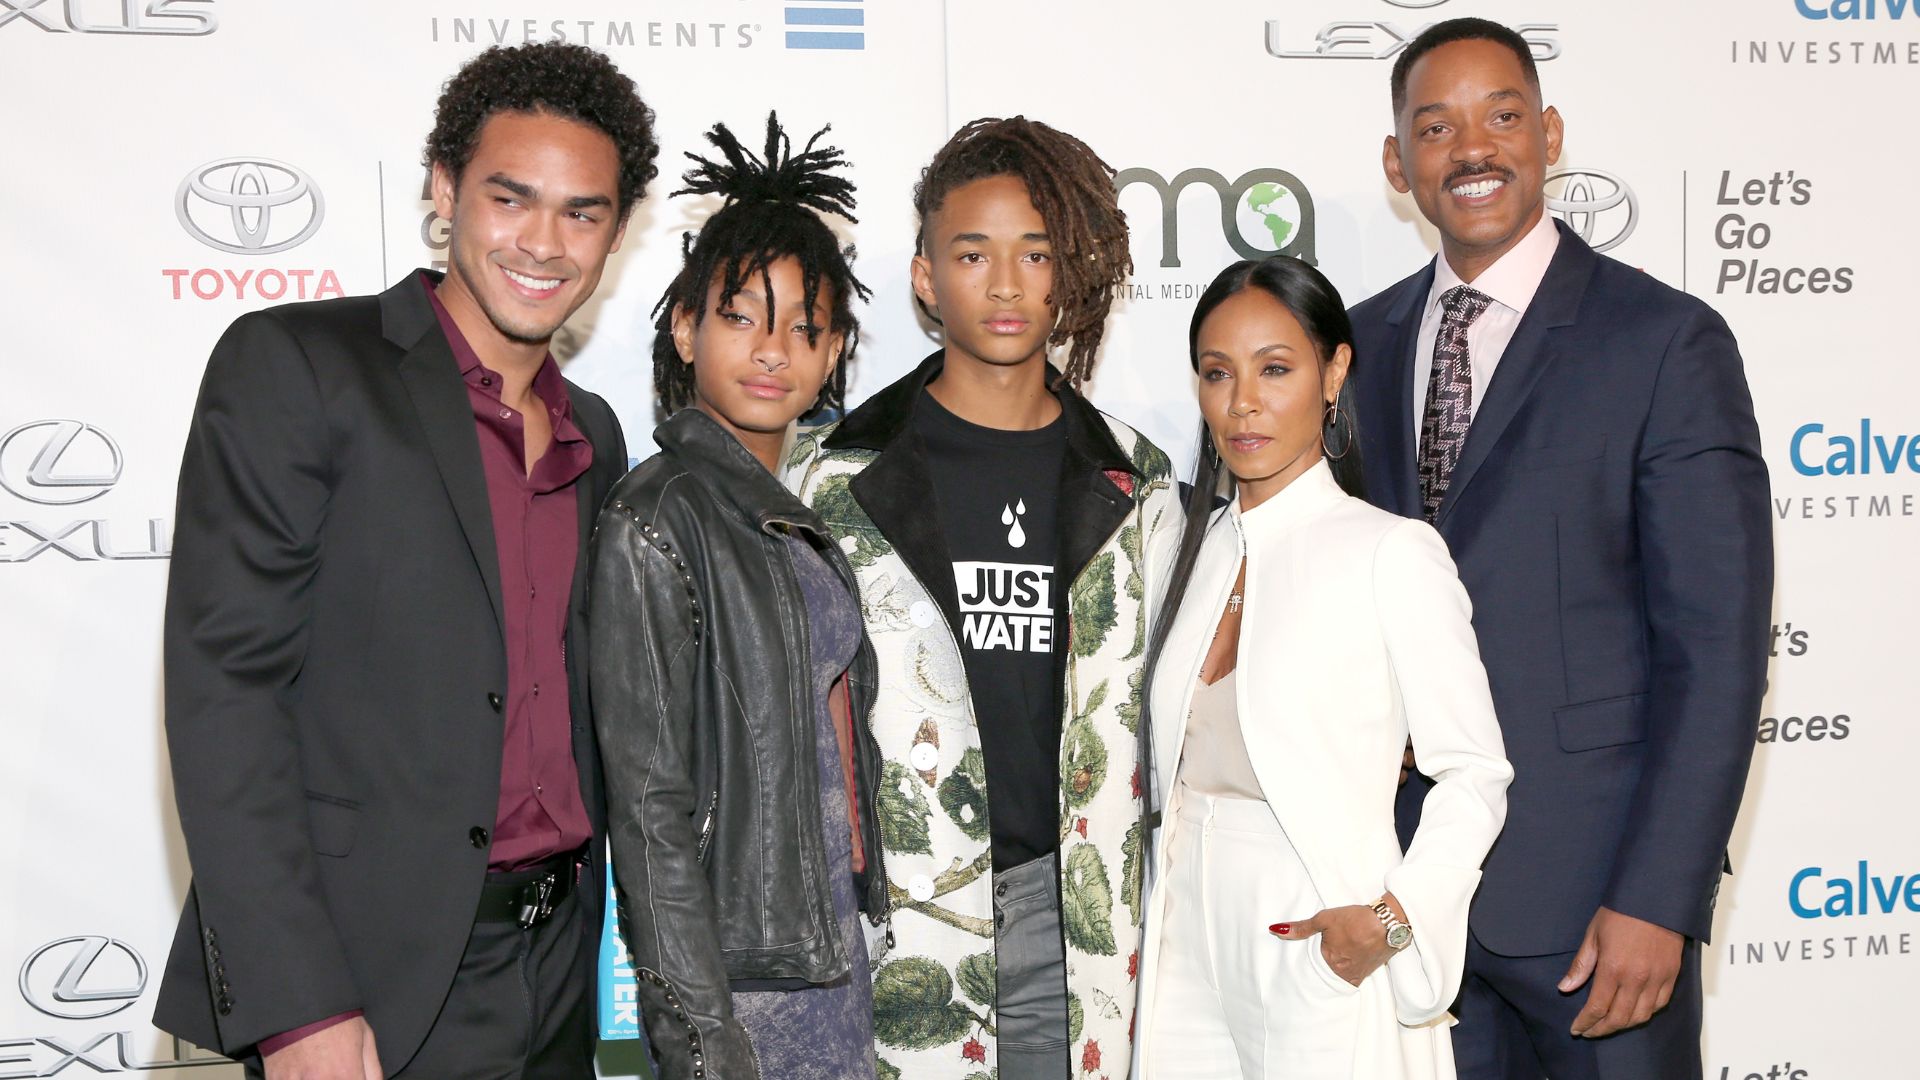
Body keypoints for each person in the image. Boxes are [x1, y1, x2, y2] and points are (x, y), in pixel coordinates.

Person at [153, 42, 656, 1078]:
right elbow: (226, 699)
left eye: (583, 212)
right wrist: (298, 1010)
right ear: (444, 189)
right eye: (511, 198)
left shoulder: (595, 436)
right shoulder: (300, 366)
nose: (544, 242)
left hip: (559, 966)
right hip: (370, 973)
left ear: (616, 229)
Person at [1348, 18, 1772, 1080]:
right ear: (1399, 165)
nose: (1473, 148)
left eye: (1501, 115)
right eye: (1435, 127)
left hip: (1597, 911)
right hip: (1412, 913)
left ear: (1550, 134)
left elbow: (1716, 651)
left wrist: (1658, 897)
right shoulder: (1354, 351)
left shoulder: (1664, 341)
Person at [786, 116, 1183, 1079]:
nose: (1006, 284)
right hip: (900, 926)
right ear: (926, 276)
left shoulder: (1137, 483)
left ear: (1068, 273)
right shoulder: (830, 483)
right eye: (974, 253)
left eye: (1035, 254)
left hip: (1079, 918)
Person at [1134, 256, 1511, 1079]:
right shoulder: (1180, 551)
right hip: (1181, 927)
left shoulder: (1389, 552)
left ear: (1333, 372)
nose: (1243, 404)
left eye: (1276, 369)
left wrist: (1393, 918)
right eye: (1217, 374)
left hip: (1316, 925)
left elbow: (1475, 772)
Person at [588, 113, 882, 1080]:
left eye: (805, 327)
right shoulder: (658, 515)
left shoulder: (783, 513)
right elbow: (648, 809)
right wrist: (700, 1036)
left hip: (825, 950)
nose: (773, 350)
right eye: (743, 315)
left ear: (834, 349)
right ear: (686, 326)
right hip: (741, 979)